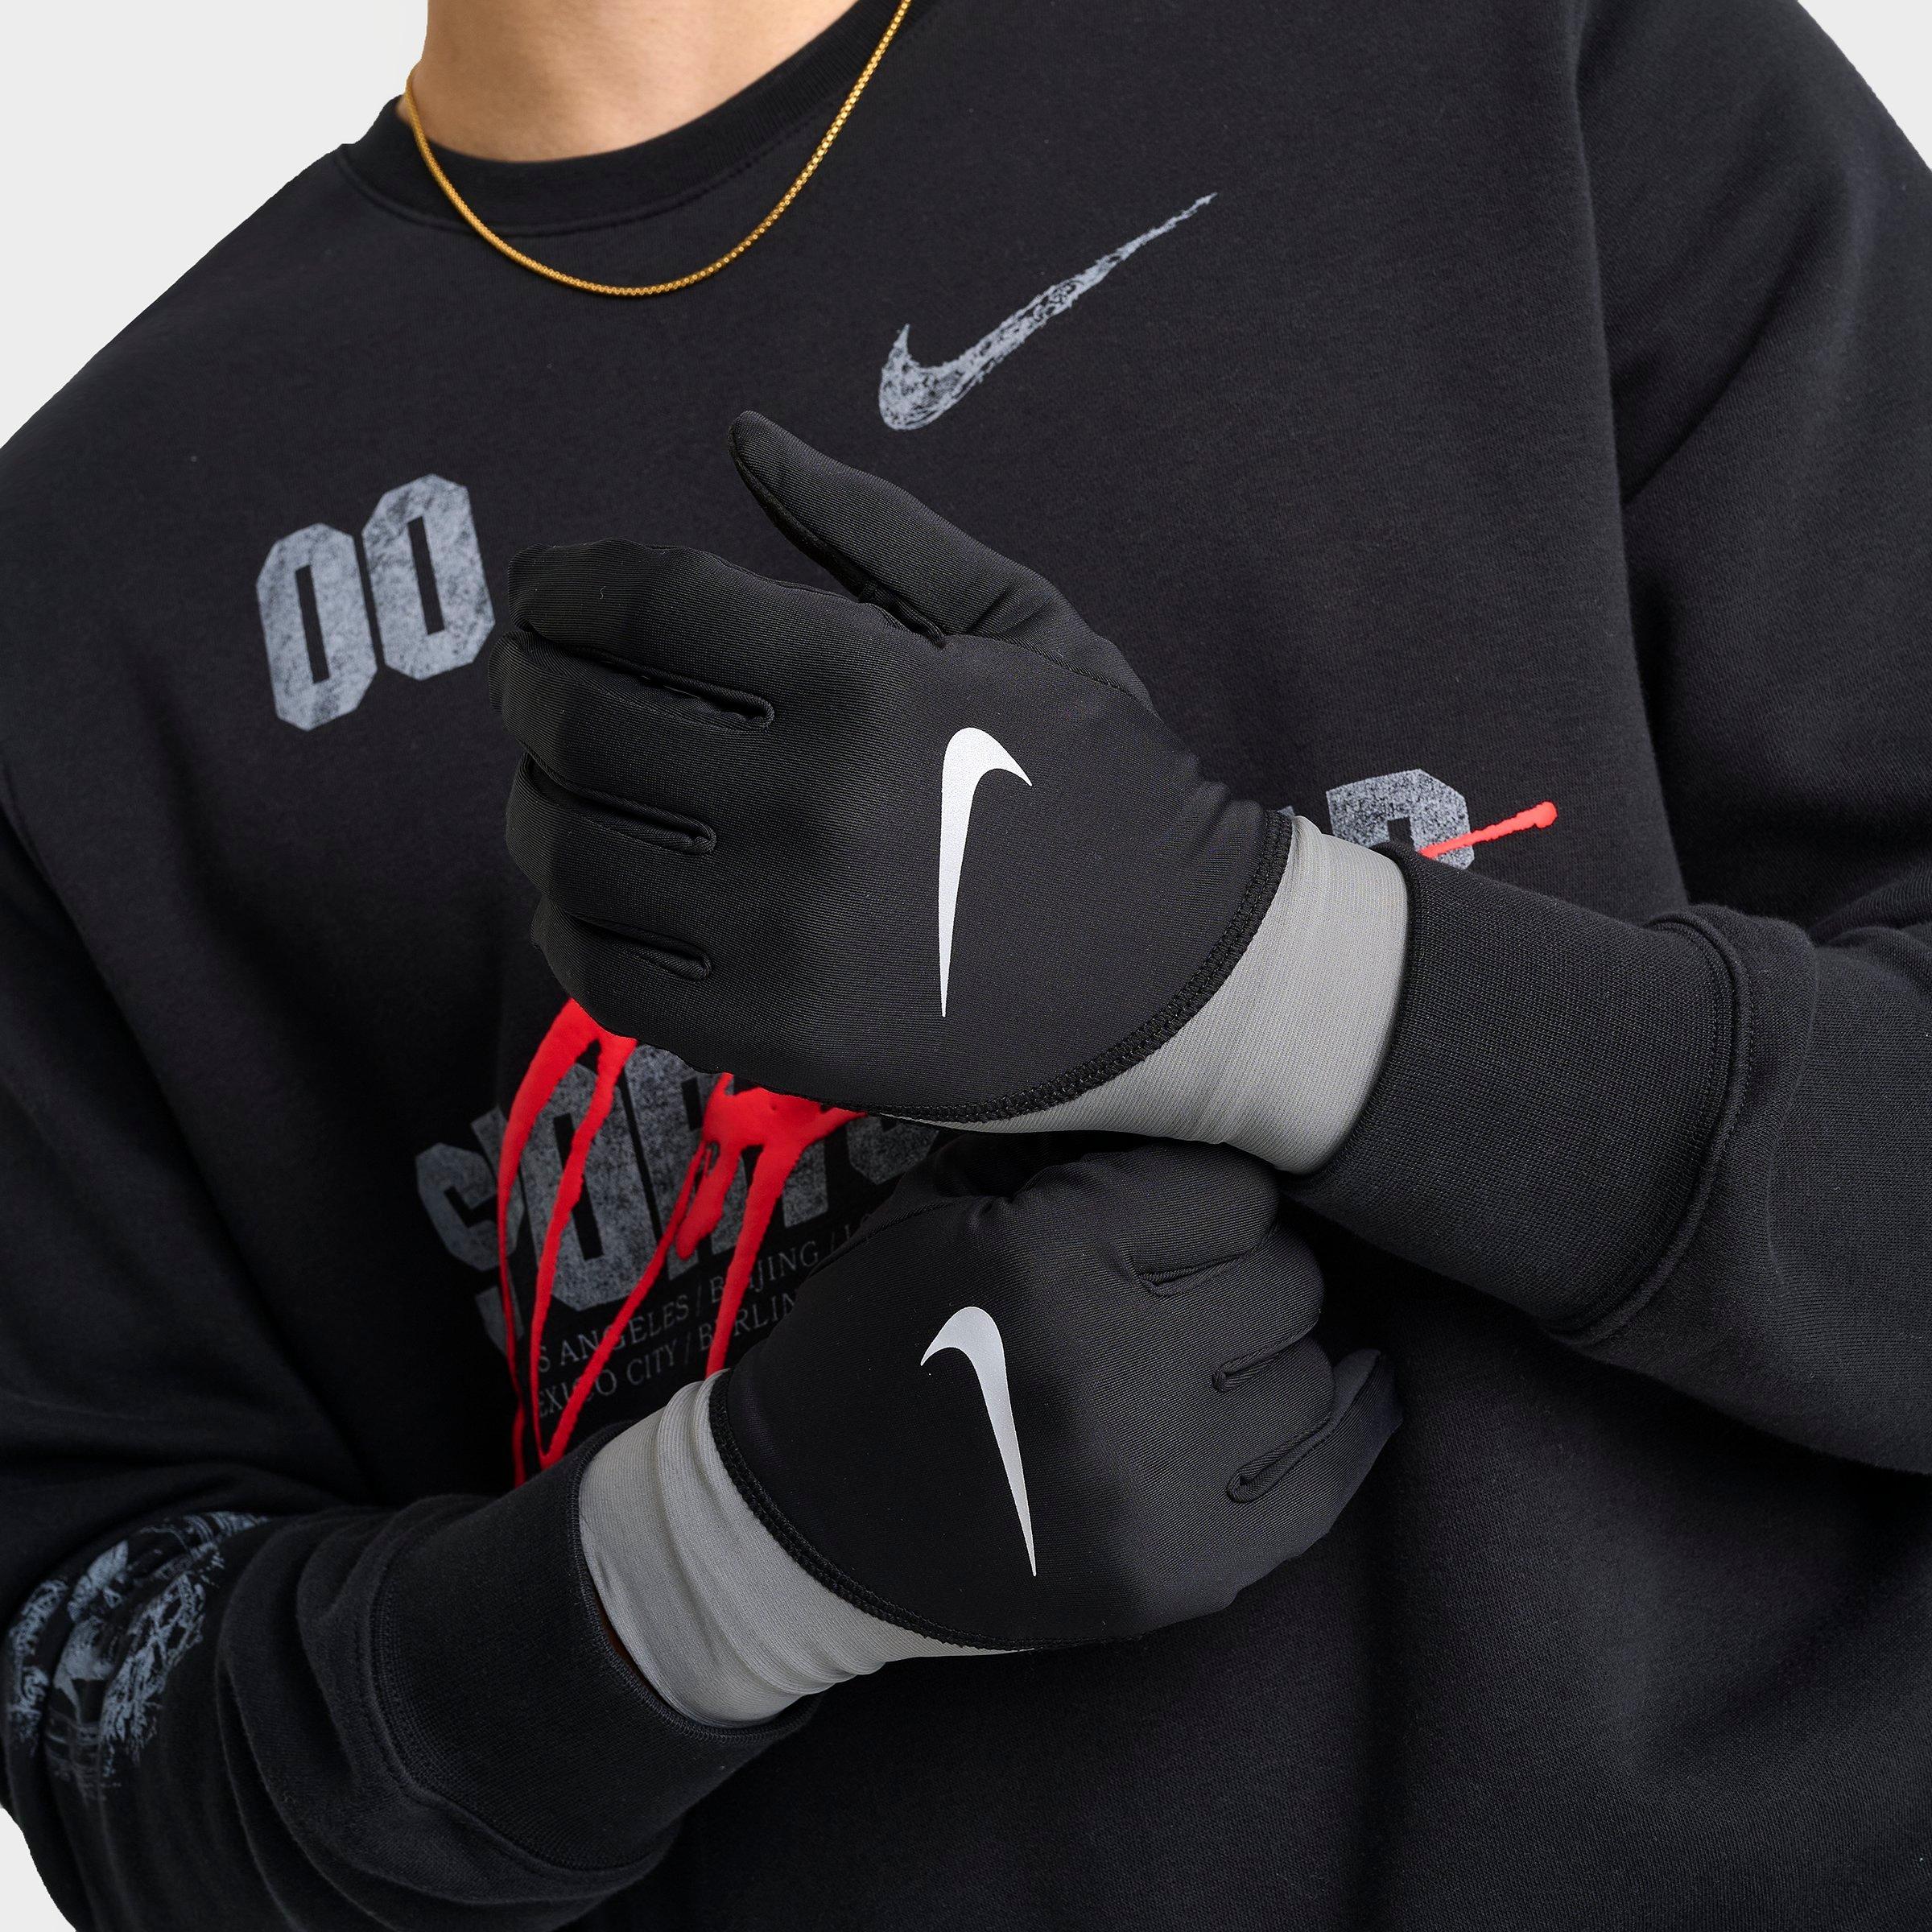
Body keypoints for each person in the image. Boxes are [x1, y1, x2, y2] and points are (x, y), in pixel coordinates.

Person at [2, 0, 1928, 1923]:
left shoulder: (1520, 56)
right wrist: (713, 1566)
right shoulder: (74, 590)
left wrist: (1258, 970)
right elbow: (125, 1746)